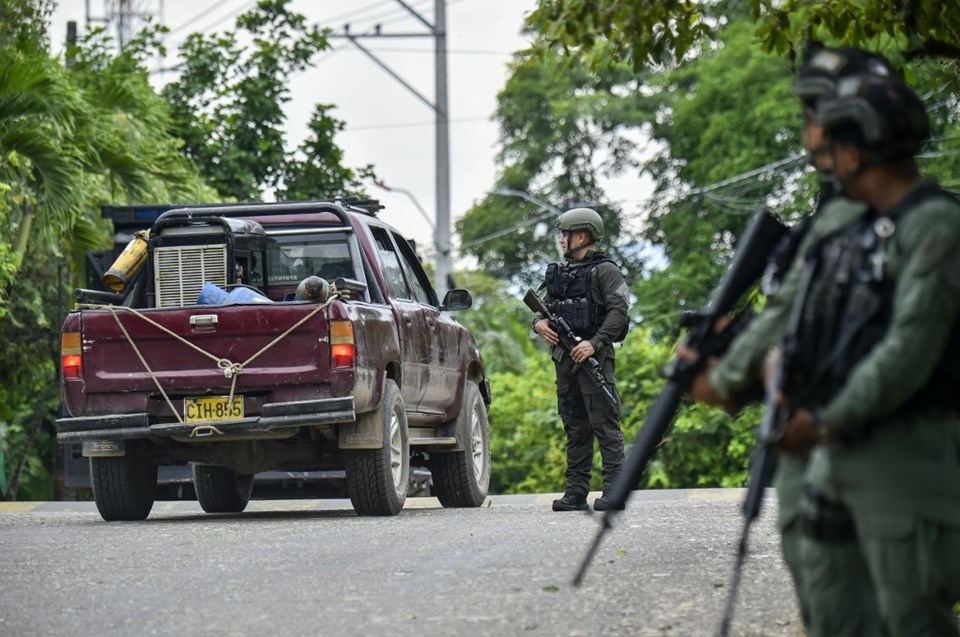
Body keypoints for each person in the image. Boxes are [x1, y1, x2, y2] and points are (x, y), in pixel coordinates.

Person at [684, 45, 893, 635]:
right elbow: (794, 330)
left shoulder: (918, 224)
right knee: (832, 610)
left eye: (823, 116)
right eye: (811, 117)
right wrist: (730, 369)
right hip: (814, 457)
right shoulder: (817, 231)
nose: (813, 134)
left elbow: (904, 351)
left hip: (897, 462)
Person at [776, 73, 960, 636]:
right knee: (842, 615)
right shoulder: (859, 232)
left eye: (829, 148)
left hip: (912, 457)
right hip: (846, 456)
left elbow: (909, 348)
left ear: (854, 152)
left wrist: (825, 420)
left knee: (910, 617)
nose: (822, 161)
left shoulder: (935, 225)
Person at [532, 207, 631, 512]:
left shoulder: (606, 271)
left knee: (604, 422)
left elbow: (619, 313)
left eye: (566, 234)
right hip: (564, 359)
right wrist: (539, 324)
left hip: (594, 358)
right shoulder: (559, 274)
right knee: (575, 426)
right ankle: (576, 491)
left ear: (583, 235)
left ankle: (615, 490)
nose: (561, 240)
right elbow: (543, 308)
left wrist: (595, 342)